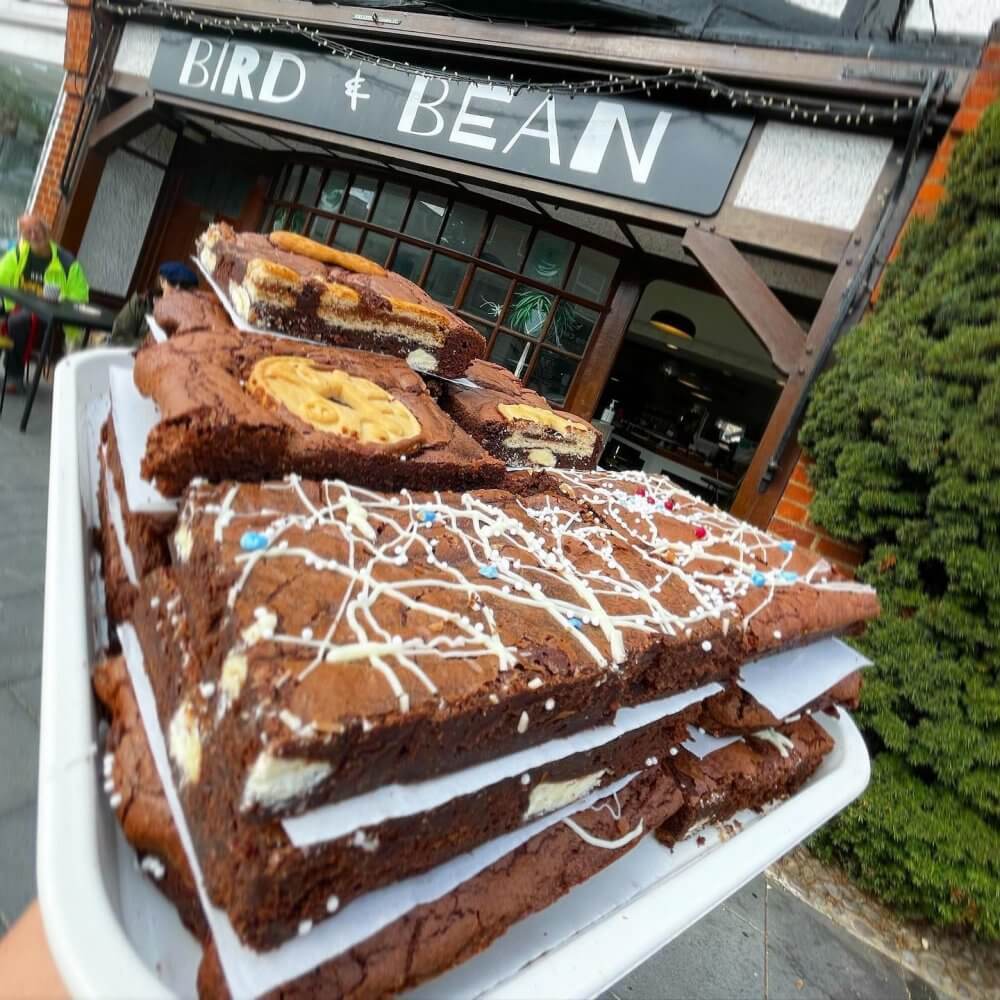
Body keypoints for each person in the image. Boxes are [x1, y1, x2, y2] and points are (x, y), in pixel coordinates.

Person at [0, 214, 89, 393]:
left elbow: (80, 298)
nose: (33, 235)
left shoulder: (67, 263)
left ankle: (13, 376)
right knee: (13, 319)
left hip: (47, 318)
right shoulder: (18, 254)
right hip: (15, 309)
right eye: (27, 232)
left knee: (18, 322)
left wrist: (58, 302)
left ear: (47, 230)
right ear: (23, 237)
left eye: (37, 230)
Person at [110, 260, 199, 346]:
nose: (178, 289)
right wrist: (149, 347)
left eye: (184, 286)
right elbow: (119, 338)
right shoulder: (142, 304)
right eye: (173, 282)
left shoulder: (192, 315)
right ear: (162, 282)